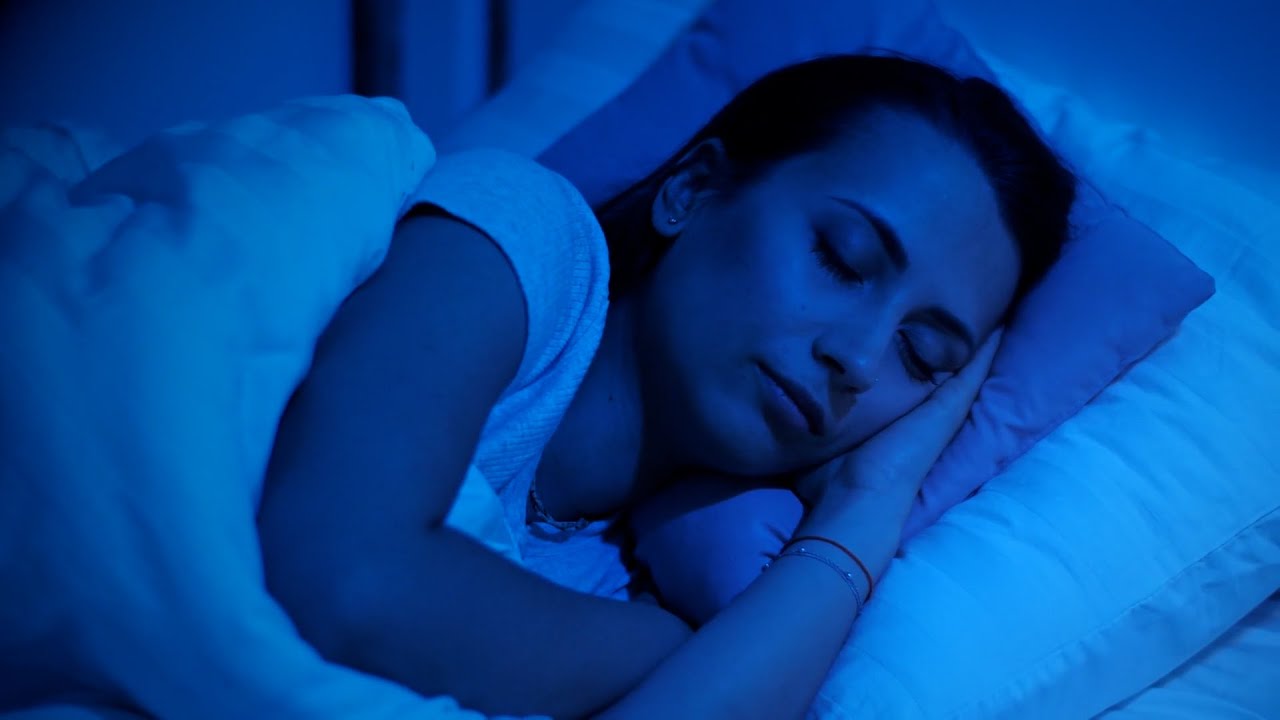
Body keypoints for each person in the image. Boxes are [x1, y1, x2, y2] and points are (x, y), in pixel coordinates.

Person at [257, 54, 1075, 719]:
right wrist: (666, 650)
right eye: (841, 258)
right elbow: (342, 581)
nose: (858, 361)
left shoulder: (618, 580)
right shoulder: (524, 234)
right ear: (693, 191)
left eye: (921, 356)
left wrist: (868, 499)